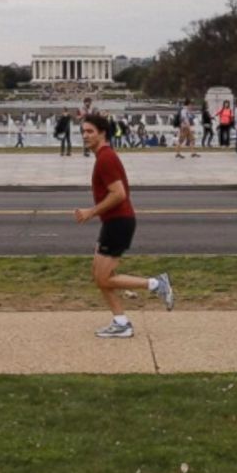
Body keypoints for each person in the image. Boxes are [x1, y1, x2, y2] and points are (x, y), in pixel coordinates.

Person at [74, 114, 174, 338]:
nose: (85, 136)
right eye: (83, 132)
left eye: (90, 131)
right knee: (99, 275)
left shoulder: (106, 158)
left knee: (103, 277)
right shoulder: (103, 156)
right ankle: (121, 322)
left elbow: (119, 194)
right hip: (113, 222)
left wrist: (91, 211)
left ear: (102, 133)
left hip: (119, 222)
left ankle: (157, 284)